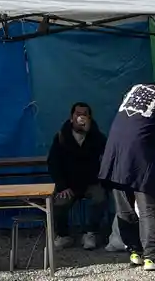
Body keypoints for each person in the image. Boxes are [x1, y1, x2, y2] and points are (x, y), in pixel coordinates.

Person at [98, 73, 155, 272]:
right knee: (147, 206)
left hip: (114, 152)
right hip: (139, 157)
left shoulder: (136, 88)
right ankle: (152, 257)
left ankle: (135, 253)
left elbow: (137, 123)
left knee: (124, 207)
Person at [46, 102, 110, 251]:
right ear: (71, 117)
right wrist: (62, 186)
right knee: (59, 203)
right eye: (78, 114)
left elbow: (107, 154)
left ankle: (90, 233)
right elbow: (53, 163)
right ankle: (63, 235)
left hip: (91, 182)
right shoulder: (62, 136)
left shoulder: (96, 136)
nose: (81, 117)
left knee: (100, 198)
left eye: (85, 114)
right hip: (69, 184)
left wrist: (90, 133)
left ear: (90, 118)